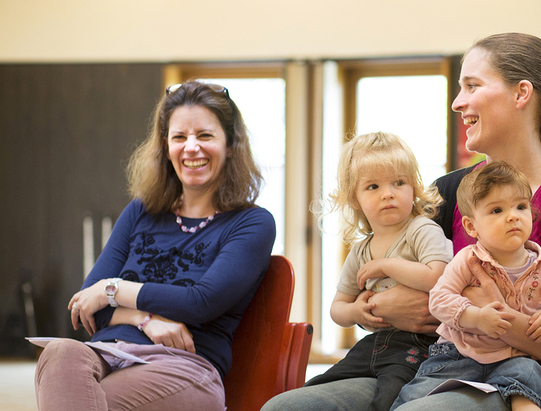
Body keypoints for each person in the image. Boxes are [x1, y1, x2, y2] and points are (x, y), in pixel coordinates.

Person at [34, 81, 276, 410]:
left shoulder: (252, 223)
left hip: (183, 366)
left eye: (205, 135)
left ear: (231, 144)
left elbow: (200, 302)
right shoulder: (141, 211)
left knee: (84, 398)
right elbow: (87, 306)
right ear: (166, 146)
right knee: (60, 352)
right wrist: (144, 319)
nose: (191, 147)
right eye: (179, 137)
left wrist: (112, 289)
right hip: (108, 353)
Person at [270, 131, 452, 411]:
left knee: (391, 399)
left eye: (399, 182)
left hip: (418, 345)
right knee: (314, 388)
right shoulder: (360, 250)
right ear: (355, 199)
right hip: (373, 343)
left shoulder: (422, 230)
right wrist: (356, 311)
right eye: (373, 186)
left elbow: (437, 277)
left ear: (414, 188)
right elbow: (337, 309)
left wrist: (385, 266)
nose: (388, 193)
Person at [393, 161, 541, 411]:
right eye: (497, 210)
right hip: (458, 354)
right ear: (471, 226)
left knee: (529, 374)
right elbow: (439, 299)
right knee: (412, 397)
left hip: (515, 357)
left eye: (521, 206)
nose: (513, 216)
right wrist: (476, 317)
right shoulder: (468, 261)